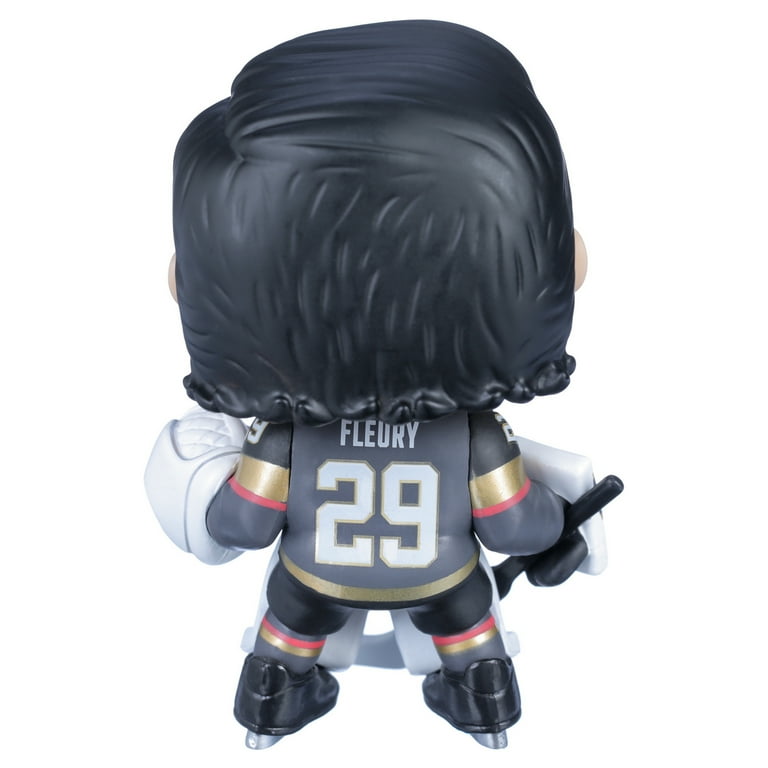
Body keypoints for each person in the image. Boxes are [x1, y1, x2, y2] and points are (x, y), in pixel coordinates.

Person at [150, 19, 594, 749]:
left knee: (288, 623)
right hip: (442, 578)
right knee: (469, 623)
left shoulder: (286, 438)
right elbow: (513, 524)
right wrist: (561, 524)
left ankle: (274, 694)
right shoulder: (474, 436)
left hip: (312, 578)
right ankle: (481, 693)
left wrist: (200, 491)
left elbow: (245, 524)